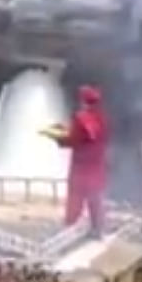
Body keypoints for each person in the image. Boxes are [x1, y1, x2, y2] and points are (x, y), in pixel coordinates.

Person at [42, 84, 110, 238]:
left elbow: (74, 139)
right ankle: (98, 230)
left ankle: (70, 229)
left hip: (81, 166)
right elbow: (93, 138)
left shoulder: (81, 118)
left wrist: (56, 136)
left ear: (83, 100)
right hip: (97, 165)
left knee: (75, 199)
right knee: (96, 199)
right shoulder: (104, 119)